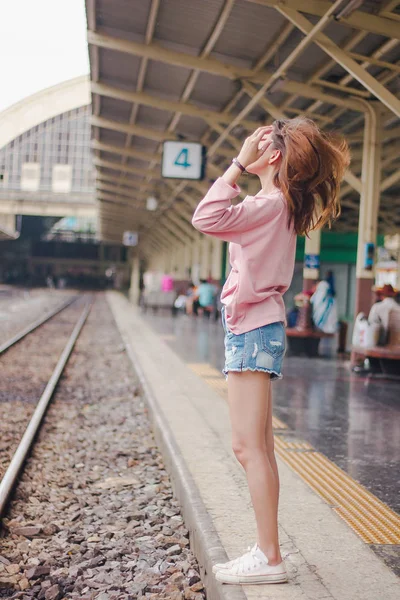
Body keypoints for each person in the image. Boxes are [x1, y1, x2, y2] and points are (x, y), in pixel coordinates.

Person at [192, 117, 349, 586]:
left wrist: (238, 163)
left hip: (252, 331)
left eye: (259, 143)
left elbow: (205, 218)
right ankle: (267, 551)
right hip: (257, 328)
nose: (249, 147)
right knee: (260, 448)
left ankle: (270, 557)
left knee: (247, 448)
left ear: (273, 156)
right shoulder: (276, 205)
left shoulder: (268, 203)